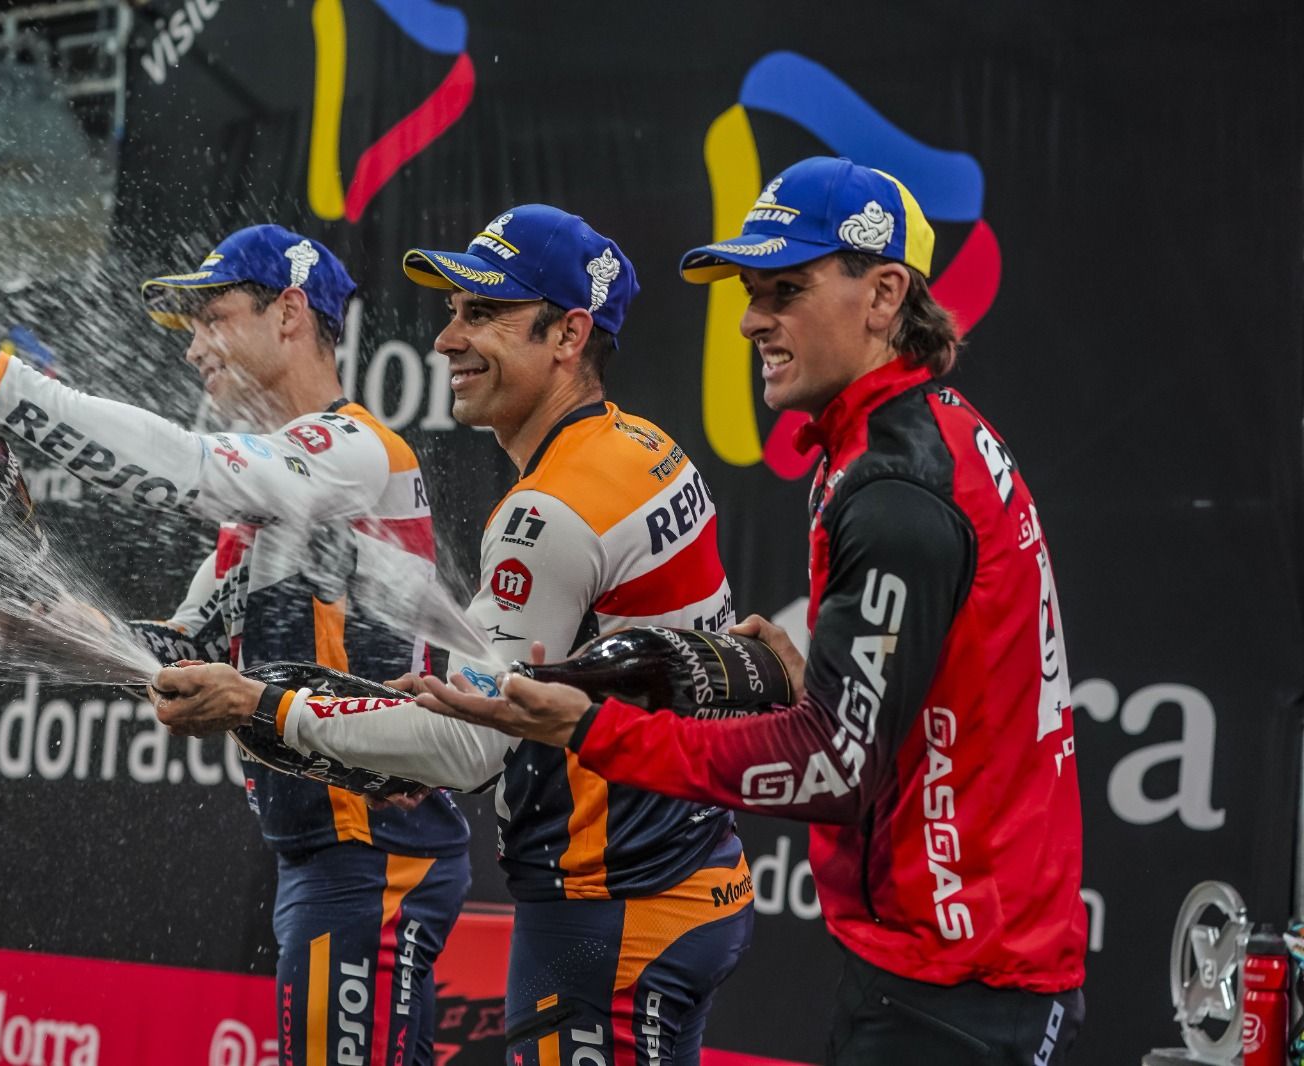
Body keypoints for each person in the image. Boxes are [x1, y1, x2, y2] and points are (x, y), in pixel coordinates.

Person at [413, 157, 1088, 1066]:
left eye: (786, 289)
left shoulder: (896, 488)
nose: (750, 319)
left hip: (962, 975)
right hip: (944, 953)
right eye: (748, 289)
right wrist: (810, 683)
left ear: (885, 294)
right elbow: (918, 700)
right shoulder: (909, 439)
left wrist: (595, 729)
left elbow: (835, 768)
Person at [152, 205, 758, 1065]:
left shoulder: (547, 510)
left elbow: (466, 749)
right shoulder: (643, 449)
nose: (447, 339)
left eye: (484, 312)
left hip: (613, 912)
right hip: (685, 881)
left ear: (569, 334)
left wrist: (260, 706)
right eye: (453, 311)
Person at [0, 224, 472, 1066]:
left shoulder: (357, 450)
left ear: (291, 314)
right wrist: (49, 628)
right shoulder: (263, 514)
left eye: (212, 317)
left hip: (373, 858)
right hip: (327, 858)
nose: (194, 349)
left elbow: (190, 467)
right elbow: (170, 652)